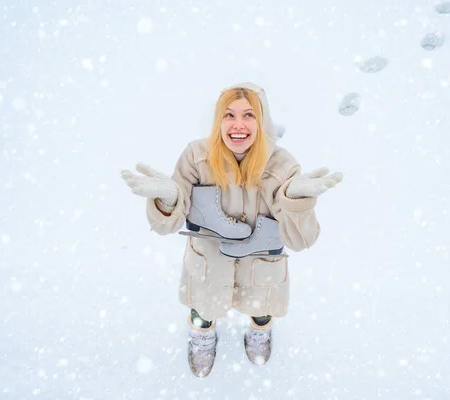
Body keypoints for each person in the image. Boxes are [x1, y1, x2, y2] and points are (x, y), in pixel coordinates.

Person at [121, 82, 342, 377]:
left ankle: (259, 332)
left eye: (249, 115)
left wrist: (296, 202)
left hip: (261, 268)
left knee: (262, 309)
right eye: (229, 115)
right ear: (218, 121)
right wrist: (169, 199)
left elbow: (302, 240)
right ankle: (202, 337)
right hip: (209, 267)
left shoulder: (282, 164)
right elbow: (167, 224)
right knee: (202, 310)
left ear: (262, 121)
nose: (238, 125)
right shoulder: (196, 156)